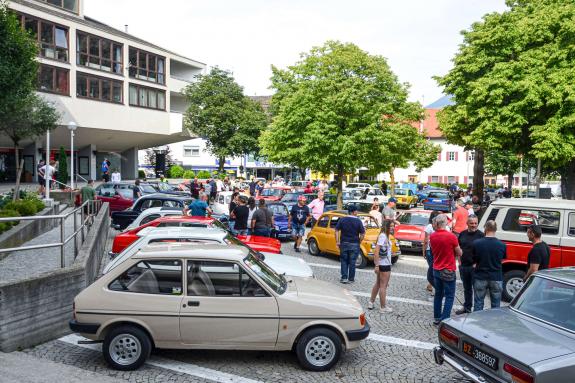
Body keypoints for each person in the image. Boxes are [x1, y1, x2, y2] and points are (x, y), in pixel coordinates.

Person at [430, 214, 462, 324]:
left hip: (436, 269)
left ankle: (437, 317)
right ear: (445, 223)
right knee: (449, 296)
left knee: (438, 294)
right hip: (448, 269)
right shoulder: (451, 236)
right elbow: (459, 252)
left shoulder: (432, 236)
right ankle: (444, 319)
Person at [471, 220, 506, 311]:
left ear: (485, 228)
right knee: (496, 304)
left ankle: (477, 323)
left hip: (480, 276)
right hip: (496, 277)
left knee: (478, 302)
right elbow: (502, 259)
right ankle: (493, 323)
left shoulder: (476, 243)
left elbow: (474, 260)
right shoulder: (502, 245)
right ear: (496, 229)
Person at [455, 215, 484, 314]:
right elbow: (458, 248)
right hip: (463, 266)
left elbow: (483, 252)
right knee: (467, 289)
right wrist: (459, 261)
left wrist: (477, 264)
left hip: (475, 267)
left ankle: (476, 311)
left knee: (477, 289)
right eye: (471, 223)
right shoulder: (462, 234)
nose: (474, 225)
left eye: (476, 223)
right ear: (467, 223)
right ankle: (467, 307)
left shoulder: (481, 235)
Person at [368, 220, 394, 313]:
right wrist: (377, 265)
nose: (392, 227)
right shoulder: (383, 236)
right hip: (384, 264)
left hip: (383, 263)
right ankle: (383, 307)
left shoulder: (384, 235)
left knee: (378, 284)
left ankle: (371, 302)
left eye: (393, 226)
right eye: (391, 226)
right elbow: (376, 251)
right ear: (386, 226)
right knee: (383, 286)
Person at [335, 205, 365, 284]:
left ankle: (344, 278)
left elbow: (336, 230)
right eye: (356, 211)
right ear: (353, 212)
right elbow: (362, 233)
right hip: (354, 244)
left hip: (344, 243)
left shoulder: (342, 219)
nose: (357, 212)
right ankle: (351, 279)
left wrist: (337, 241)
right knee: (352, 262)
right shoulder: (358, 221)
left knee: (344, 261)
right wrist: (359, 241)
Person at [422, 210, 441, 294]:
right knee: (435, 268)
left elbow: (426, 240)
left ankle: (434, 287)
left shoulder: (429, 226)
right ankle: (431, 285)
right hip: (440, 251)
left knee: (432, 268)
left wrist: (424, 251)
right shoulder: (445, 227)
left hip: (430, 250)